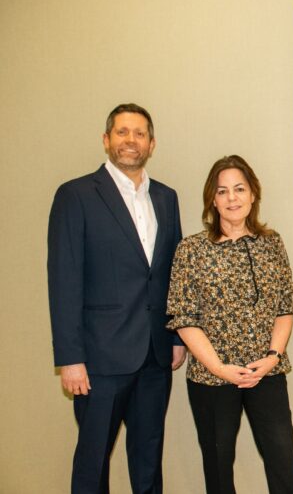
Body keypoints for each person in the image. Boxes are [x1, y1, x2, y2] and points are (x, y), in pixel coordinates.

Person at [47, 103, 186, 493]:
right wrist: (70, 358)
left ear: (151, 144)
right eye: (122, 132)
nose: (131, 140)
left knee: (148, 463)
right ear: (106, 140)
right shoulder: (76, 195)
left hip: (155, 357)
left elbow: (174, 275)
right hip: (99, 360)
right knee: (92, 465)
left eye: (139, 133)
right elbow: (63, 280)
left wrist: (176, 336)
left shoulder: (166, 198)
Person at [167, 155, 293, 494]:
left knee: (283, 462)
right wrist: (219, 368)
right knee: (218, 468)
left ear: (253, 194)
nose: (232, 198)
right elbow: (184, 317)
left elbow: (284, 308)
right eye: (222, 191)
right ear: (212, 199)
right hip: (212, 378)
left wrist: (272, 357)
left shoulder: (272, 243)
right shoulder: (192, 249)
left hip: (266, 372)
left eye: (239, 189)